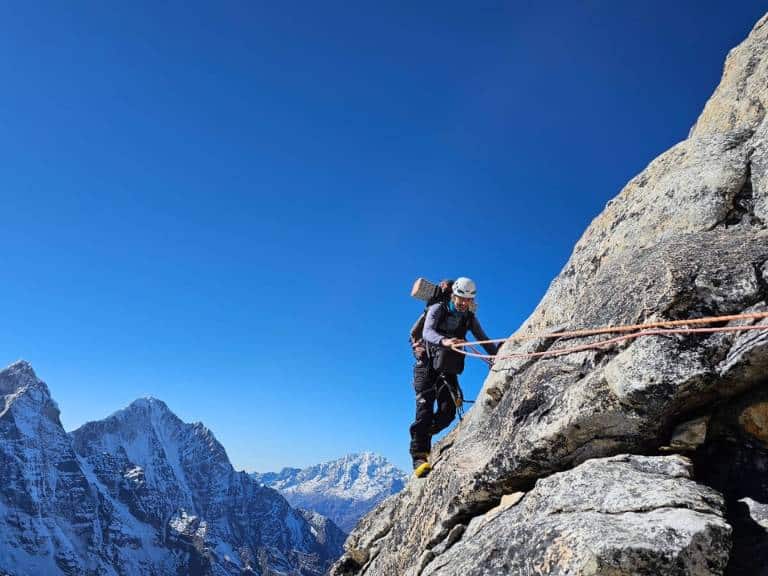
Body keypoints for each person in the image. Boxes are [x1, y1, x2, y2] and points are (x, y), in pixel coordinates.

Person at [409, 277, 498, 477]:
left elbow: (482, 337)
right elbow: (428, 332)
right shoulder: (439, 308)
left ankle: (423, 434)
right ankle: (419, 456)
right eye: (460, 298)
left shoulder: (468, 318)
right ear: (453, 295)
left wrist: (496, 353)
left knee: (448, 412)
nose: (463, 303)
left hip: (446, 369)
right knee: (424, 409)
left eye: (467, 300)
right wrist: (445, 341)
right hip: (427, 366)